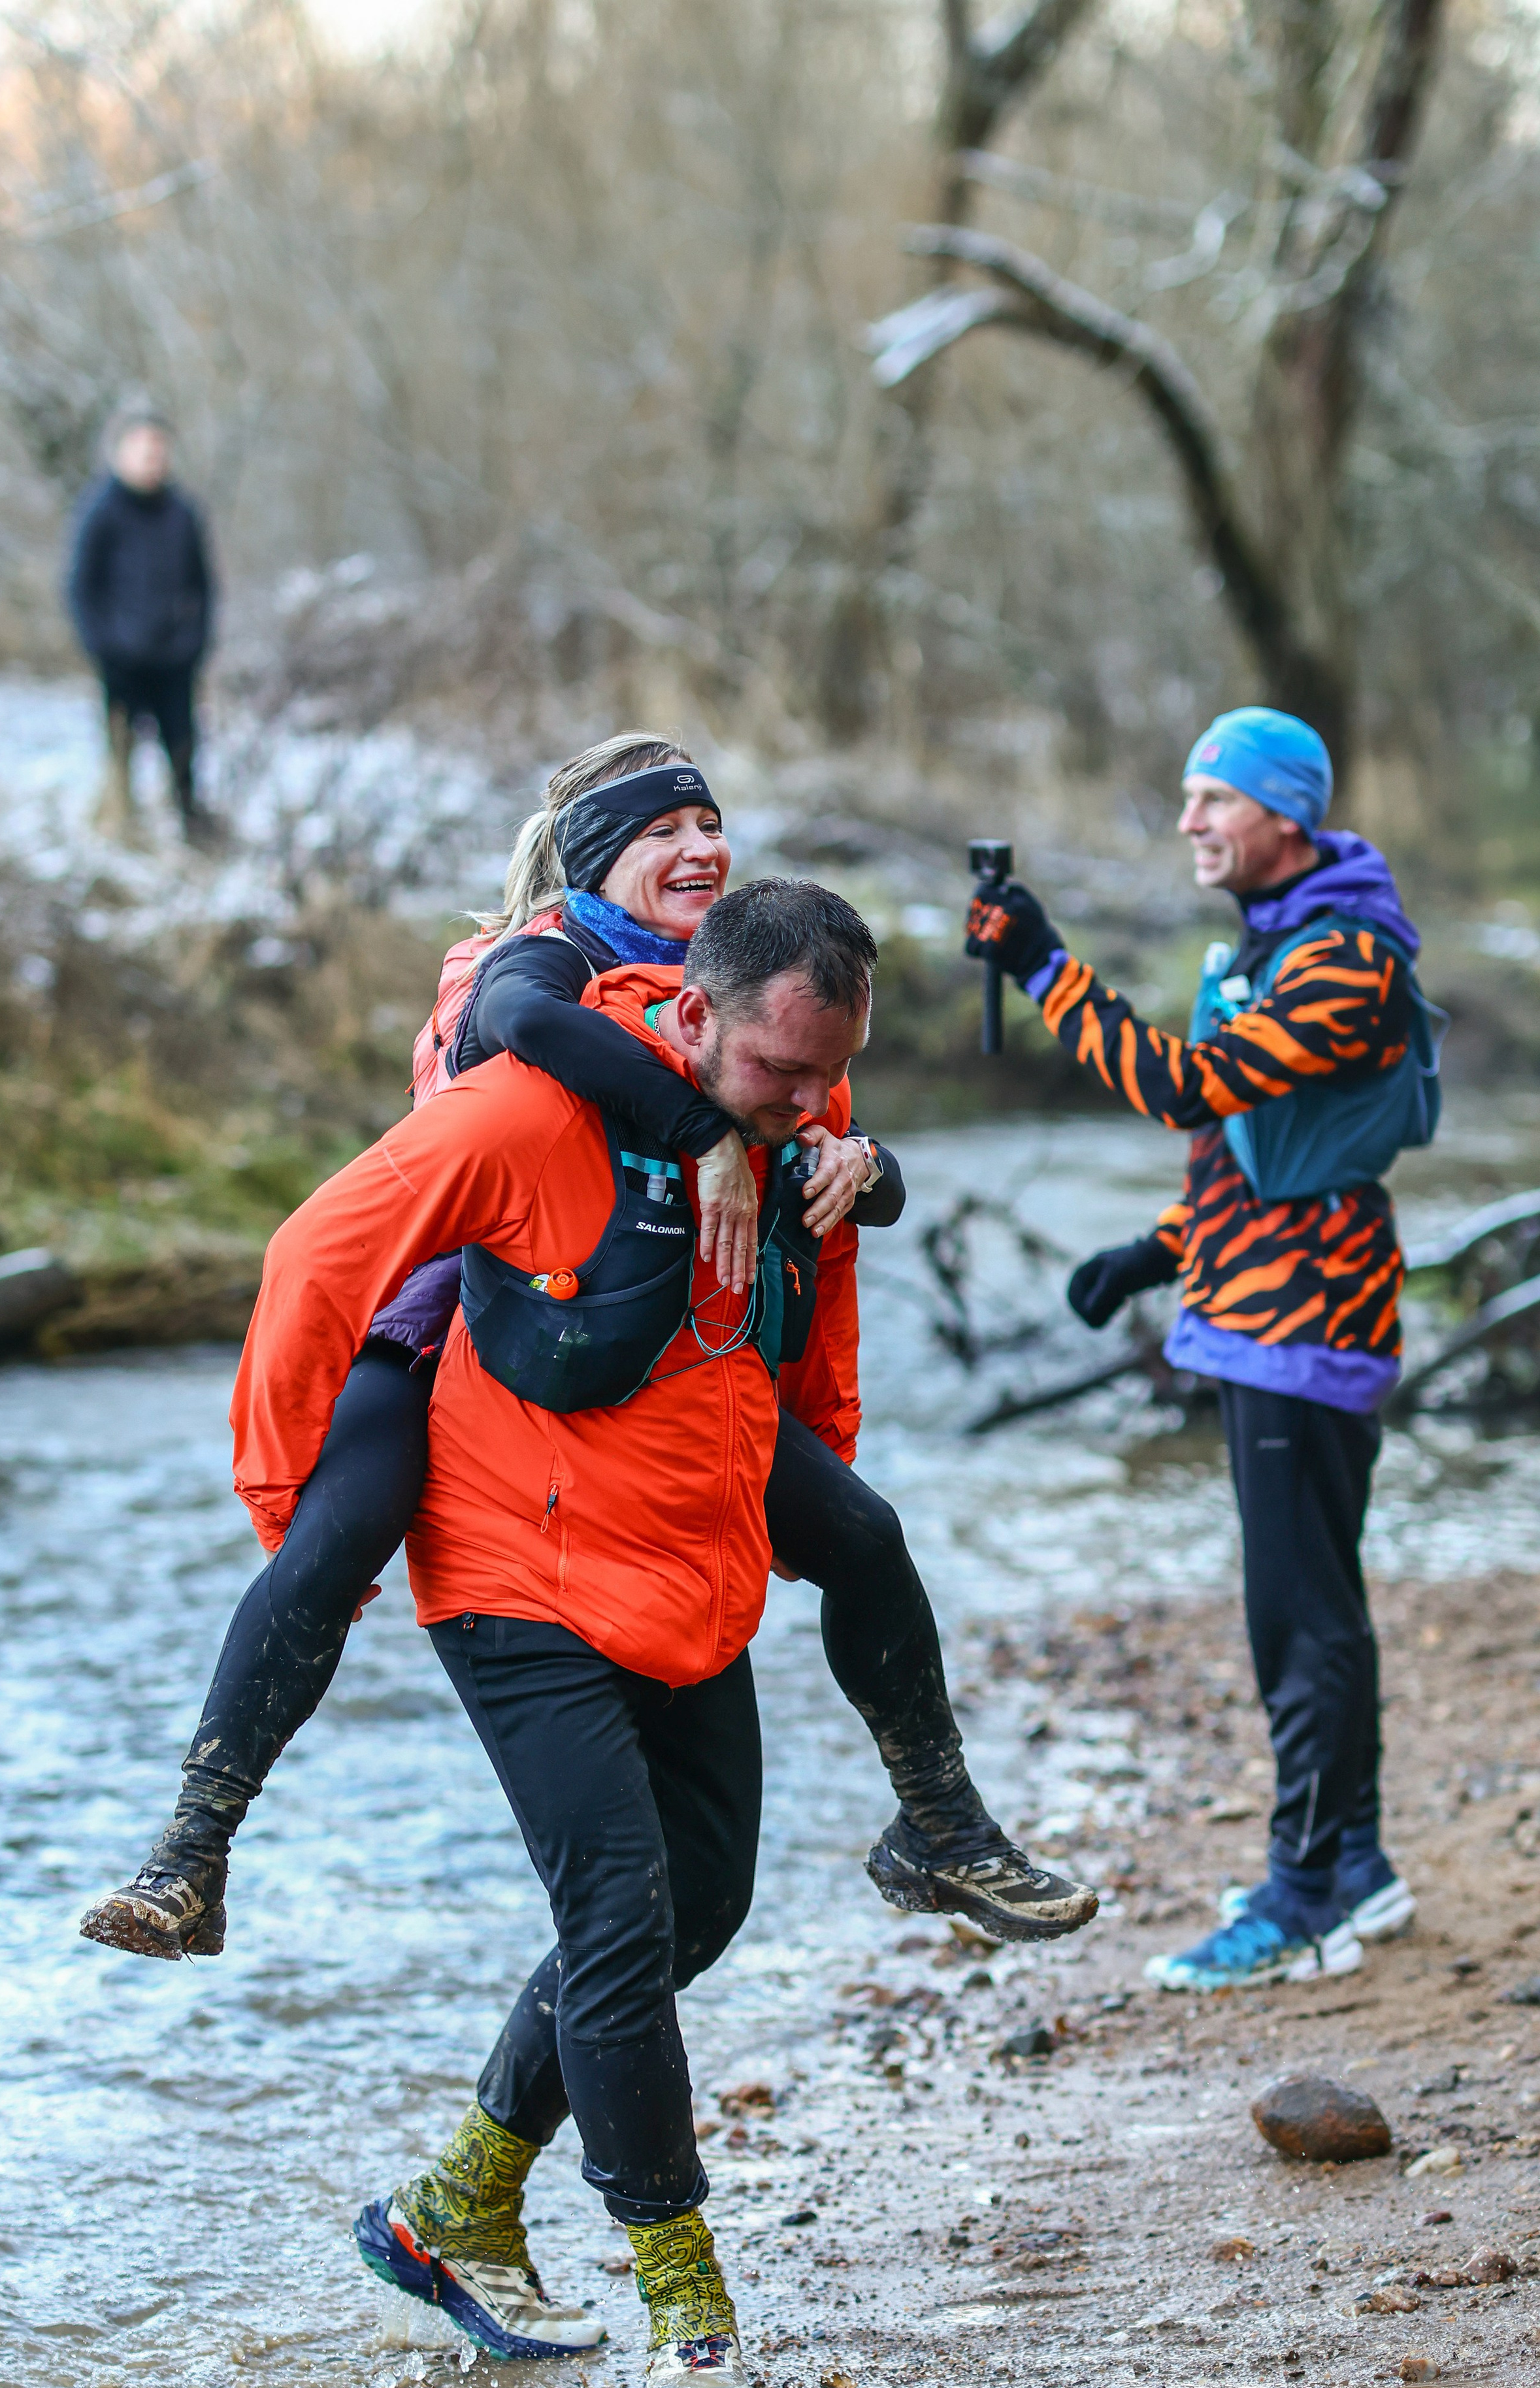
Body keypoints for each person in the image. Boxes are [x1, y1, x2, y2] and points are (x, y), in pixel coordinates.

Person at [219, 878, 1094, 2388]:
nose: (798, 1107)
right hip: (507, 1571)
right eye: (773, 1077)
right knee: (618, 1918)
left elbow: (794, 1332)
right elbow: (310, 1260)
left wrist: (819, 1454)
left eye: (826, 1079)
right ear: (690, 1014)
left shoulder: (792, 1117)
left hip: (686, 1568)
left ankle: (450, 2206)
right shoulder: (521, 1116)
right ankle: (683, 2296)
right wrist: (293, 1514)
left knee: (702, 1901)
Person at [81, 736, 1094, 1961]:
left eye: (711, 823)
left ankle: (941, 1823)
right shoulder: (527, 961)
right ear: (600, 858)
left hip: (658, 1365)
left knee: (865, 1537)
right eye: (664, 832)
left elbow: (833, 1143)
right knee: (332, 1537)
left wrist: (861, 1164)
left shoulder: (754, 978)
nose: (700, 848)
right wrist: (696, 1129)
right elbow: (520, 1026)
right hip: (454, 1324)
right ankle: (191, 1852)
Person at [967, 706, 1438, 1993]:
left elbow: (1186, 1087)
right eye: (1184, 798)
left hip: (1304, 1329)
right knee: (1312, 1608)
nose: (1187, 823)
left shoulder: (1343, 958)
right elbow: (1268, 1156)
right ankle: (1353, 1867)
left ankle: (1299, 1898)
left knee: (1297, 1624)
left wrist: (1046, 967)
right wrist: (1155, 1250)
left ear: (1284, 815)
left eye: (1211, 800)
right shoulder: (1278, 940)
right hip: (1254, 1316)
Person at [67, 402, 218, 845]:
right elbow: (80, 585)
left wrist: (195, 642)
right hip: (121, 658)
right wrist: (102, 644)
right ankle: (119, 827)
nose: (153, 459)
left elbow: (203, 585)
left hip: (175, 658)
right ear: (122, 453)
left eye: (160, 450)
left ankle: (190, 823)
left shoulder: (182, 512)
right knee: (120, 748)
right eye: (144, 449)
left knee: (184, 745)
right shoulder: (100, 510)